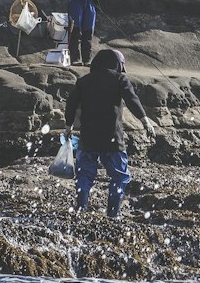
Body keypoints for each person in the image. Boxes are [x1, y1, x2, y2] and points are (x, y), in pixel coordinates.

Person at [65, 47, 153, 218]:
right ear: (117, 64)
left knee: (84, 174)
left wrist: (68, 127)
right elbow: (132, 99)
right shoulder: (120, 79)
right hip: (112, 138)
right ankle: (113, 214)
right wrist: (145, 121)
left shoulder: (84, 81)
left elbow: (71, 104)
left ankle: (81, 209)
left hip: (88, 138)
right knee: (120, 177)